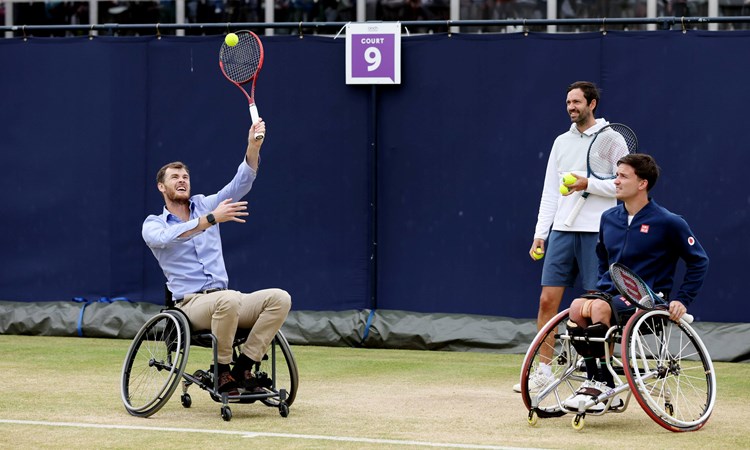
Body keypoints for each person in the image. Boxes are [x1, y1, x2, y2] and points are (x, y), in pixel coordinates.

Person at [142, 120, 292, 395]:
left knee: (279, 298)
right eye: (174, 177)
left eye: (185, 176)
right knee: (229, 299)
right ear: (161, 187)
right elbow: (166, 238)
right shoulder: (153, 223)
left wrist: (253, 147)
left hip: (227, 300)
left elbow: (241, 183)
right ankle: (222, 370)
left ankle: (243, 366)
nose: (182, 180)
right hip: (190, 307)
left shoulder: (206, 204)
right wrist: (210, 220)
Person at [562, 153, 709, 412]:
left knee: (597, 309)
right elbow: (602, 257)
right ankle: (597, 380)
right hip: (610, 295)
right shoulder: (608, 218)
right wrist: (600, 288)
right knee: (576, 307)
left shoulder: (669, 222)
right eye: (616, 175)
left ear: (642, 183)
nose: (616, 181)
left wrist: (682, 300)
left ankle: (603, 385)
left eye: (622, 176)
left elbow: (699, 261)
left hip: (649, 301)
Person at [514, 81, 618, 393]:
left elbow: (623, 186)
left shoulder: (612, 140)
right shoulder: (561, 142)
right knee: (548, 301)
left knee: (596, 307)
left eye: (577, 102)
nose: (571, 107)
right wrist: (540, 233)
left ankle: (599, 375)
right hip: (561, 232)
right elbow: (550, 192)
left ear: (592, 103)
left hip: (597, 232)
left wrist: (588, 184)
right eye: (568, 102)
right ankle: (543, 370)